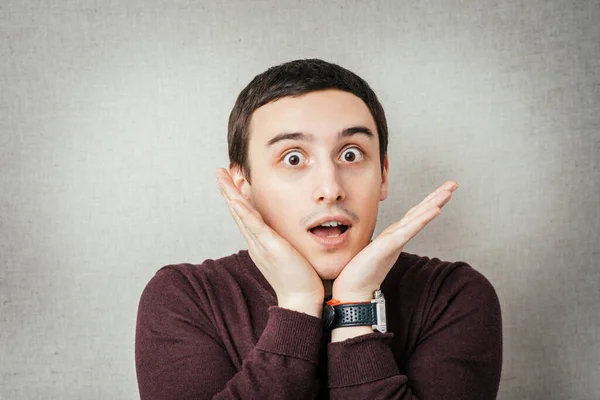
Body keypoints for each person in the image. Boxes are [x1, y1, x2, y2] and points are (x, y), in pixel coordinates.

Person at [135, 58, 502, 399]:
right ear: (243, 183)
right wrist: (297, 308)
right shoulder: (185, 298)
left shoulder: (453, 295)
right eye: (293, 158)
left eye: (351, 154)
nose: (330, 189)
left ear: (383, 175)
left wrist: (355, 308)